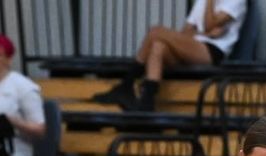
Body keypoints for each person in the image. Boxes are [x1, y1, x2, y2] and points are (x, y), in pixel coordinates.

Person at [91, 0, 248, 112]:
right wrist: (204, 33)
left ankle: (127, 85)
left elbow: (209, 23)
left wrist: (208, 5)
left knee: (156, 32)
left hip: (212, 51)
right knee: (159, 45)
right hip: (193, 45)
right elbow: (186, 31)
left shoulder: (237, 2)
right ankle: (147, 102)